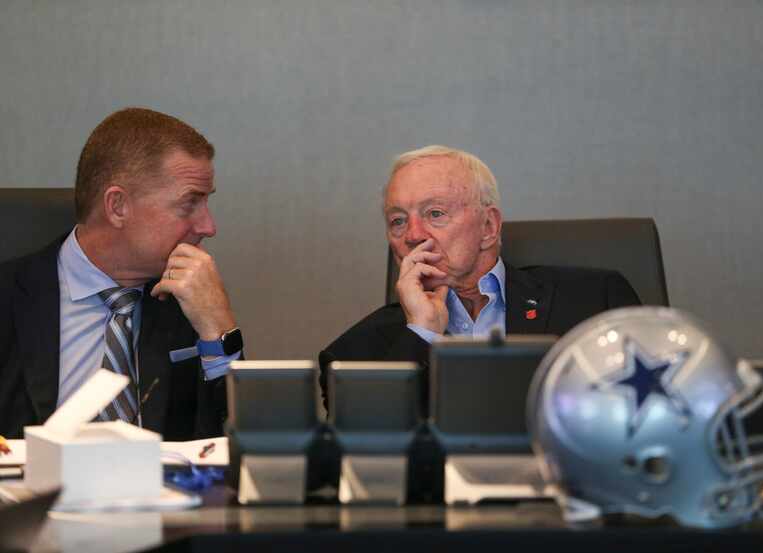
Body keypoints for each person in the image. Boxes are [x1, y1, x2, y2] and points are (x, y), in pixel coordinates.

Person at [319, 145, 641, 409]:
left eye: (435, 214)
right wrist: (422, 332)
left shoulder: (596, 301)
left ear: (488, 227)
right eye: (398, 221)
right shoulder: (354, 354)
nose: (414, 235)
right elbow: (370, 451)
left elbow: (652, 412)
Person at [0, 107, 243, 440]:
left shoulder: (192, 299)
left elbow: (240, 446)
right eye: (190, 203)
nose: (208, 226)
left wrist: (220, 333)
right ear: (118, 206)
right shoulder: (10, 296)